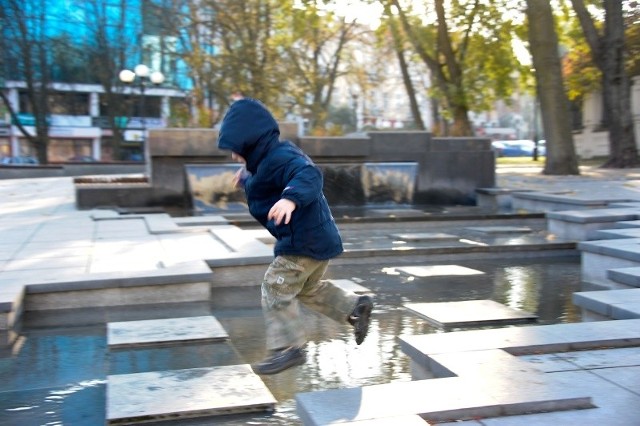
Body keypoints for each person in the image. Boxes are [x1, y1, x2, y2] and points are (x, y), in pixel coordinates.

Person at [217, 98, 373, 375]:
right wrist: (245, 178)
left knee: (275, 286)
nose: (234, 157)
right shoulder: (267, 160)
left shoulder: (282, 157)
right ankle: (354, 307)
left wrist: (291, 199)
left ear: (250, 142)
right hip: (314, 238)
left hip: (303, 240)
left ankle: (289, 349)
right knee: (307, 289)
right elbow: (264, 178)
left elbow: (308, 173)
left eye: (237, 151)